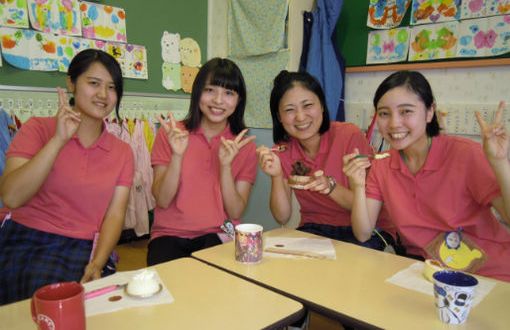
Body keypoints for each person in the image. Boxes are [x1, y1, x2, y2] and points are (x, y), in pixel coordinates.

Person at [343, 70, 510, 282]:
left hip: (491, 272)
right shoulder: (382, 164)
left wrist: (499, 162)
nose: (394, 123)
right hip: (429, 273)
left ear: (430, 112)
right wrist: (357, 185)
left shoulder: (465, 153)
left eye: (406, 111)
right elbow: (363, 233)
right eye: (384, 113)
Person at [0, 49, 135, 305]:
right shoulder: (37, 128)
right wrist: (59, 140)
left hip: (83, 245)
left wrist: (97, 261)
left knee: (87, 302)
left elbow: (115, 214)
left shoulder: (123, 152)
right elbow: (11, 196)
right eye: (93, 83)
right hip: (24, 237)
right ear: (71, 83)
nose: (103, 95)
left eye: (111, 87)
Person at [257, 70, 392, 249]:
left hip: (365, 231)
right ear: (279, 117)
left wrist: (331, 187)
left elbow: (367, 210)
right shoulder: (284, 148)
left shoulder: (348, 135)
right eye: (289, 110)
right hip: (314, 230)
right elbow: (282, 217)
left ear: (321, 105)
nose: (300, 117)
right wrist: (276, 176)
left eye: (307, 105)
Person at [147, 58, 257, 265]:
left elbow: (235, 212)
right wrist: (177, 156)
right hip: (169, 234)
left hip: (220, 233)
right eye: (210, 90)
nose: (218, 100)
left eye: (228, 93)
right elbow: (162, 200)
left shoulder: (244, 146)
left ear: (239, 100)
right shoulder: (171, 134)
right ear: (197, 93)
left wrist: (225, 166)